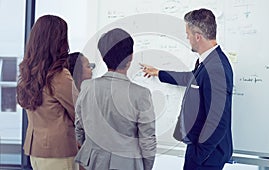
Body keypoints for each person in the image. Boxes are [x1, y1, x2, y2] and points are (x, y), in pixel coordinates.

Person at [141, 8, 233, 170]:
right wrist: (159, 73)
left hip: (207, 156)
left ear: (198, 37)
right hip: (203, 152)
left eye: (188, 34)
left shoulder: (216, 68)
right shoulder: (209, 61)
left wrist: (198, 156)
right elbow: (193, 78)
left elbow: (219, 122)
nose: (187, 38)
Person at [74, 28, 156, 170]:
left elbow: (79, 128)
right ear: (130, 57)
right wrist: (146, 167)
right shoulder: (141, 94)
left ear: (103, 56)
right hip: (127, 165)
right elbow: (147, 140)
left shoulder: (87, 87)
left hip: (91, 163)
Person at [16, 15, 79, 170]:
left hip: (36, 151)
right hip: (59, 152)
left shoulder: (28, 72)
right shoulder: (59, 76)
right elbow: (80, 113)